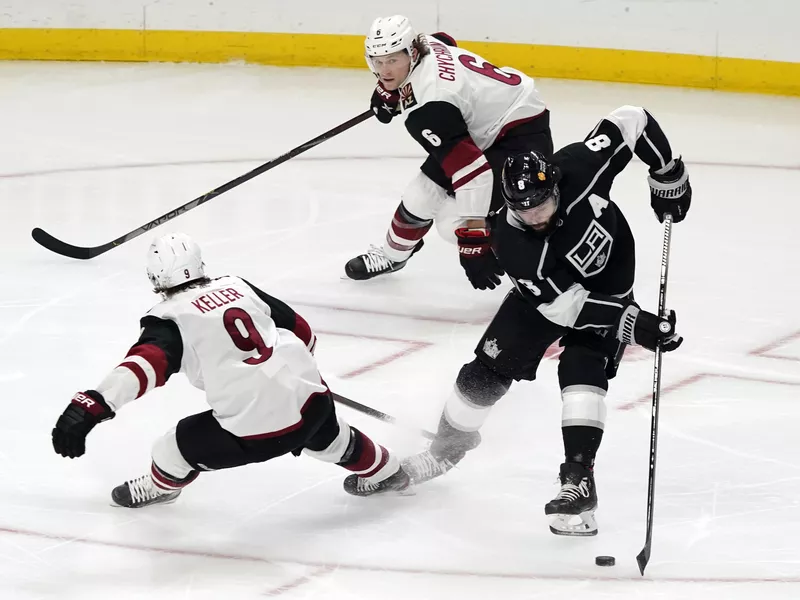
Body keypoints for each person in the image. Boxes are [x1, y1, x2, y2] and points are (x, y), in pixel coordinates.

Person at [401, 105, 691, 536]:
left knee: (582, 368)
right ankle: (447, 449)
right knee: (485, 372)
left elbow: (632, 120)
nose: (536, 216)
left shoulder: (579, 166)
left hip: (608, 285)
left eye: (542, 204)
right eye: (524, 210)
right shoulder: (513, 243)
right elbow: (566, 309)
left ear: (554, 183)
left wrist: (667, 172)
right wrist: (636, 324)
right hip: (548, 299)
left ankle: (578, 478)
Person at [52, 232, 410, 507]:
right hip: (313, 400)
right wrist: (289, 378)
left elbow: (142, 366)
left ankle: (162, 488)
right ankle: (388, 471)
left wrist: (92, 405)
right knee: (330, 437)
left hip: (256, 434)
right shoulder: (237, 286)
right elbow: (304, 334)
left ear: (157, 278)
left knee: (171, 449)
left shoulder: (171, 318)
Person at [344, 15, 553, 290]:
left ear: (412, 52)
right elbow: (445, 41)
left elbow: (474, 173)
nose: (384, 70)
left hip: (520, 134)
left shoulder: (428, 110)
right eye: (378, 61)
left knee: (451, 223)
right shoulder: (426, 44)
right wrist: (393, 93)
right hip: (484, 124)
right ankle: (392, 256)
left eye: (393, 60)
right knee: (419, 196)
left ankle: (531, 263)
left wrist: (474, 241)